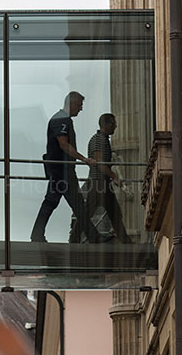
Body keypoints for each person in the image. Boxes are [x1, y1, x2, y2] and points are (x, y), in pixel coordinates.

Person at [30, 91, 112, 244]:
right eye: (79, 105)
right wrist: (84, 159)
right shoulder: (61, 120)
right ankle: (94, 238)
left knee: (59, 203)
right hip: (62, 171)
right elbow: (64, 144)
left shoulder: (62, 119)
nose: (80, 109)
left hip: (62, 170)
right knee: (72, 204)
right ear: (71, 103)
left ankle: (37, 235)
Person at [83, 113, 132, 243]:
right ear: (105, 124)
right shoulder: (98, 140)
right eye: (112, 123)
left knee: (115, 214)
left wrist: (111, 177)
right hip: (98, 184)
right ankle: (74, 240)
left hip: (103, 183)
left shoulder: (103, 140)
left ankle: (126, 242)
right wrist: (114, 176)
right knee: (87, 214)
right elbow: (100, 163)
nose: (115, 126)